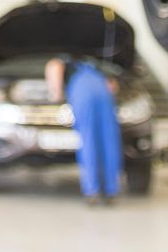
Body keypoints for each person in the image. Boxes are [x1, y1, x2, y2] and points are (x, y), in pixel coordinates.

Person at [46, 54, 123, 205]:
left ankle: (92, 190)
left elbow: (54, 67)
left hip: (83, 91)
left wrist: (56, 94)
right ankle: (111, 190)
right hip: (103, 91)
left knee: (89, 139)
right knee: (110, 141)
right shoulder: (95, 64)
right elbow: (113, 85)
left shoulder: (62, 61)